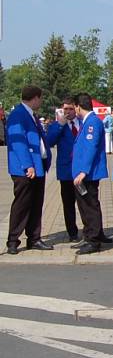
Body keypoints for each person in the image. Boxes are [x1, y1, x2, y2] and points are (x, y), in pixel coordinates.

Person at [5, 86, 53, 254]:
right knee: (22, 205)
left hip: (37, 167)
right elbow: (18, 142)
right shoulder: (18, 115)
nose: (41, 102)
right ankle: (13, 240)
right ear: (34, 98)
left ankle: (34, 237)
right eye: (40, 99)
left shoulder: (30, 115)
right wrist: (28, 165)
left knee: (36, 204)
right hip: (25, 170)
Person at [72, 93, 109, 255]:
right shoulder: (87, 122)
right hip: (86, 173)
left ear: (78, 106)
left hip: (88, 174)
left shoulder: (92, 123)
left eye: (74, 107)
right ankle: (96, 234)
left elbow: (90, 148)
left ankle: (92, 240)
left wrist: (83, 171)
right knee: (90, 205)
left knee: (89, 207)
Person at [45, 97, 81, 242]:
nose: (67, 112)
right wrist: (60, 125)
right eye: (65, 109)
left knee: (87, 202)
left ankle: (92, 231)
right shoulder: (58, 125)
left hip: (81, 171)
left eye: (70, 109)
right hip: (66, 171)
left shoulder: (83, 123)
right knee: (68, 203)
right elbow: (49, 141)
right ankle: (72, 232)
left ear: (76, 109)